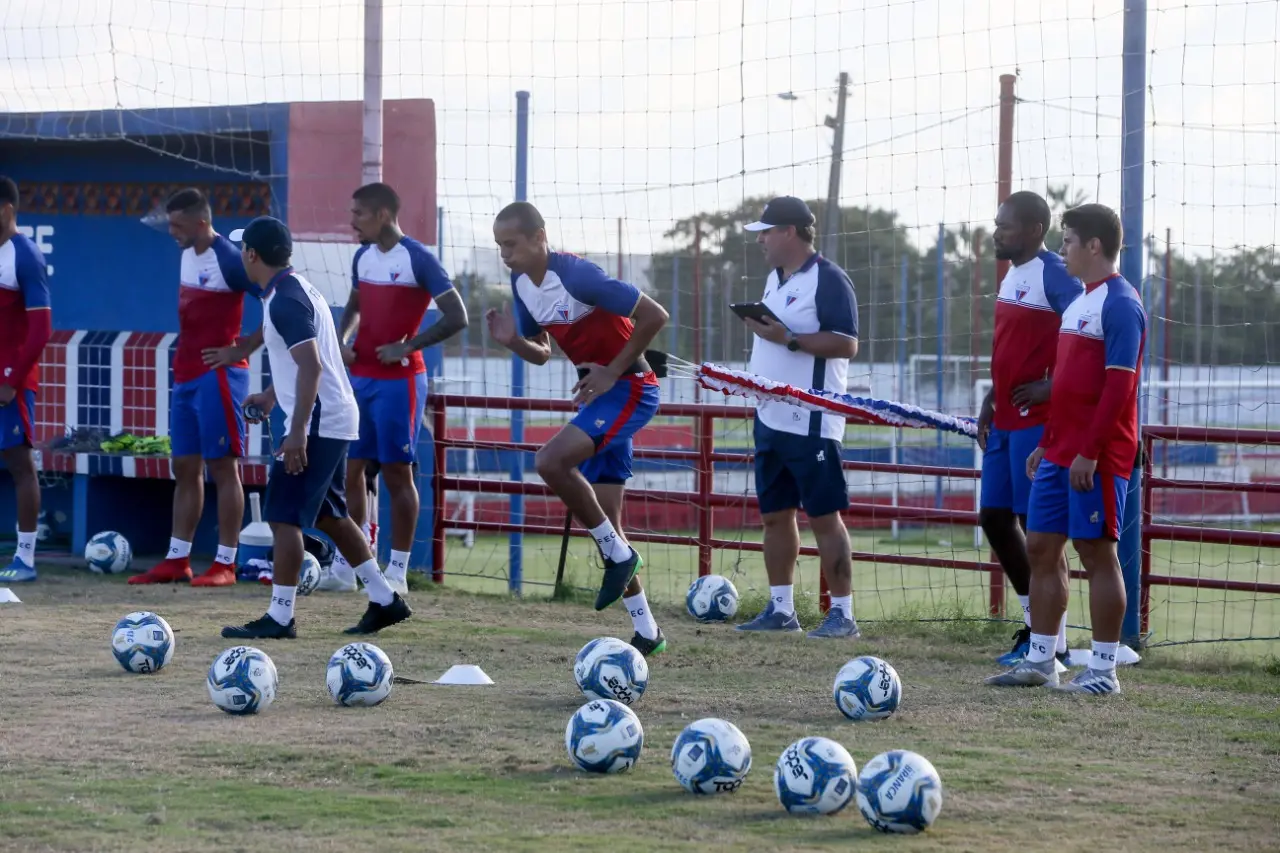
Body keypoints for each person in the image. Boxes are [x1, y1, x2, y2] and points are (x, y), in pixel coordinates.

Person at [485, 202, 669, 656]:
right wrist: (514, 341)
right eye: (499, 246)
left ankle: (620, 557)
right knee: (608, 522)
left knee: (550, 461)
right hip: (600, 396)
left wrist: (611, 371)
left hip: (631, 389)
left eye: (511, 244)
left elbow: (655, 316)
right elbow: (543, 351)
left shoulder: (579, 276)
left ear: (538, 237)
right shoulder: (521, 283)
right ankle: (648, 632)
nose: (505, 254)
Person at [221, 216, 410, 639]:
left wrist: (298, 431)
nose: (240, 256)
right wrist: (272, 396)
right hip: (333, 415)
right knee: (330, 516)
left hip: (321, 420)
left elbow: (312, 366)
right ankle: (385, 600)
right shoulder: (296, 290)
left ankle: (280, 617)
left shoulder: (284, 301)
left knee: (283, 517)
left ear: (252, 254)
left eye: (242, 249)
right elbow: (306, 362)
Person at [987, 203, 1146, 694]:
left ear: (1094, 246)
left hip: (1097, 455)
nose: (1063, 250)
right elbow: (1068, 383)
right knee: (1039, 547)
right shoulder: (1081, 304)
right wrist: (1048, 442)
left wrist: (1090, 451)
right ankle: (1042, 660)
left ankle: (1103, 671)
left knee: (1096, 553)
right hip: (1058, 451)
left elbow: (1119, 388)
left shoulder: (1121, 303)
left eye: (1069, 241)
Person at [319, 182, 468, 595]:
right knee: (351, 472)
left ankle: (398, 571)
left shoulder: (418, 258)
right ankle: (351, 567)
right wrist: (342, 340)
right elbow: (353, 307)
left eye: (358, 214)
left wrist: (409, 345)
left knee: (398, 474)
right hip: (361, 379)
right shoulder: (363, 257)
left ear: (382, 214)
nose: (352, 222)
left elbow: (458, 316)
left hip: (400, 383)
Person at [733, 196, 861, 639]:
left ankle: (842, 615)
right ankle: (781, 610)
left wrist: (788, 338)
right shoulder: (774, 278)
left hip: (811, 421)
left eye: (766, 232)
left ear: (789, 232)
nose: (761, 241)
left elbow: (846, 343)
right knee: (774, 516)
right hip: (770, 418)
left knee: (824, 517)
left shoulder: (829, 278)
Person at [130, 188, 259, 587]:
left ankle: (226, 563)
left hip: (218, 375)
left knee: (223, 466)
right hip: (186, 374)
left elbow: (278, 299)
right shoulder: (188, 253)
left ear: (201, 223)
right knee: (184, 466)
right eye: (170, 225)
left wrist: (242, 347)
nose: (172, 232)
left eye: (178, 226)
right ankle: (177, 559)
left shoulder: (229, 259)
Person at [978, 191, 1083, 666]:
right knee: (994, 519)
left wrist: (1052, 387)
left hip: (1036, 422)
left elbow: (1088, 335)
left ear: (1035, 230)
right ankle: (1035, 627)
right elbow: (1011, 349)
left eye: (1005, 225)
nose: (996, 232)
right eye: (997, 223)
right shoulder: (1011, 274)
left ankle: (1054, 643)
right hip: (1004, 418)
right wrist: (991, 397)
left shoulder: (1054, 273)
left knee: (1038, 531)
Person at [0, 176, 51, 583]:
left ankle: (26, 558)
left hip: (10, 382)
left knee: (19, 463)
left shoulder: (25, 255)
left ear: (6, 209)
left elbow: (41, 330)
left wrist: (13, 379)